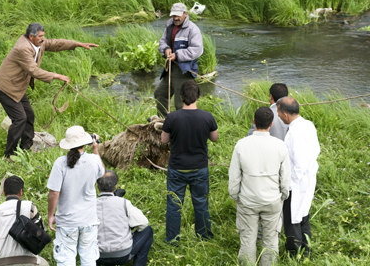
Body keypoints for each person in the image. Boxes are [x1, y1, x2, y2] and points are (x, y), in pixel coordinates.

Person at [0, 22, 99, 161]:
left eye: (44, 36)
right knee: (20, 119)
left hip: (17, 87)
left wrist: (78, 44)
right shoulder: (22, 48)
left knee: (29, 116)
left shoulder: (37, 43)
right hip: (6, 88)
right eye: (41, 36)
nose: (43, 39)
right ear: (31, 36)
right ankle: (9, 155)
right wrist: (57, 76)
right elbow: (33, 70)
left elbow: (56, 43)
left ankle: (26, 147)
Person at [229, 107, 291, 266]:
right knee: (271, 241)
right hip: (273, 201)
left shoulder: (241, 145)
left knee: (248, 240)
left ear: (254, 121)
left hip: (248, 201)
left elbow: (234, 176)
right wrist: (283, 196)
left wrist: (235, 195)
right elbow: (285, 178)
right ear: (271, 124)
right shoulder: (280, 145)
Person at [161, 81, 218, 243]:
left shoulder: (172, 117)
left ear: (181, 96)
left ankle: (172, 239)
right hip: (199, 168)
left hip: (177, 168)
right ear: (198, 96)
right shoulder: (207, 116)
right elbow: (214, 138)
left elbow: (164, 140)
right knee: (200, 202)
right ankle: (204, 236)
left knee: (174, 205)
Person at [47, 126, 105, 266]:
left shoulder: (60, 163)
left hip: (67, 221)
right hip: (89, 219)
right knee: (89, 258)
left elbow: (54, 193)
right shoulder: (94, 160)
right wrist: (96, 150)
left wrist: (50, 215)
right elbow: (102, 173)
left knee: (66, 259)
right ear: (86, 142)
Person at [276, 97, 320, 257]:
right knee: (303, 215)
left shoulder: (295, 133)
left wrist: (288, 185)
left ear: (285, 114)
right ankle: (306, 250)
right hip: (308, 178)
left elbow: (299, 163)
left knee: (292, 218)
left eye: (279, 113)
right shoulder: (307, 124)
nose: (279, 117)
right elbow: (316, 150)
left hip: (297, 182)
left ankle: (295, 254)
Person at [155, 3, 203, 117]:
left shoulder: (193, 29)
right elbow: (162, 42)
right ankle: (164, 124)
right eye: (173, 15)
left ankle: (182, 129)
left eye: (178, 15)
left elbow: (197, 50)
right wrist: (166, 49)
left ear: (185, 14)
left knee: (180, 103)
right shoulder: (169, 26)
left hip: (184, 71)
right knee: (160, 94)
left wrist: (177, 55)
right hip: (170, 70)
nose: (175, 18)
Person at [96, 170, 153, 266]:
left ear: (97, 186)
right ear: (115, 186)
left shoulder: (89, 206)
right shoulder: (123, 203)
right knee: (148, 230)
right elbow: (143, 224)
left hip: (97, 256)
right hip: (123, 255)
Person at [0, 175, 48, 266]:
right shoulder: (29, 207)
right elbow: (42, 232)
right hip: (26, 260)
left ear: (4, 192)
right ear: (21, 192)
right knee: (44, 263)